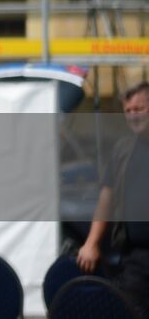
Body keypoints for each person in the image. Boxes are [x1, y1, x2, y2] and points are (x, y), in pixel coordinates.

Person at [78, 81, 149, 316]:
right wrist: (92, 242)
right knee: (128, 310)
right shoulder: (123, 150)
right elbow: (105, 199)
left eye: (138, 109)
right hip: (136, 258)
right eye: (128, 111)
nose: (132, 116)